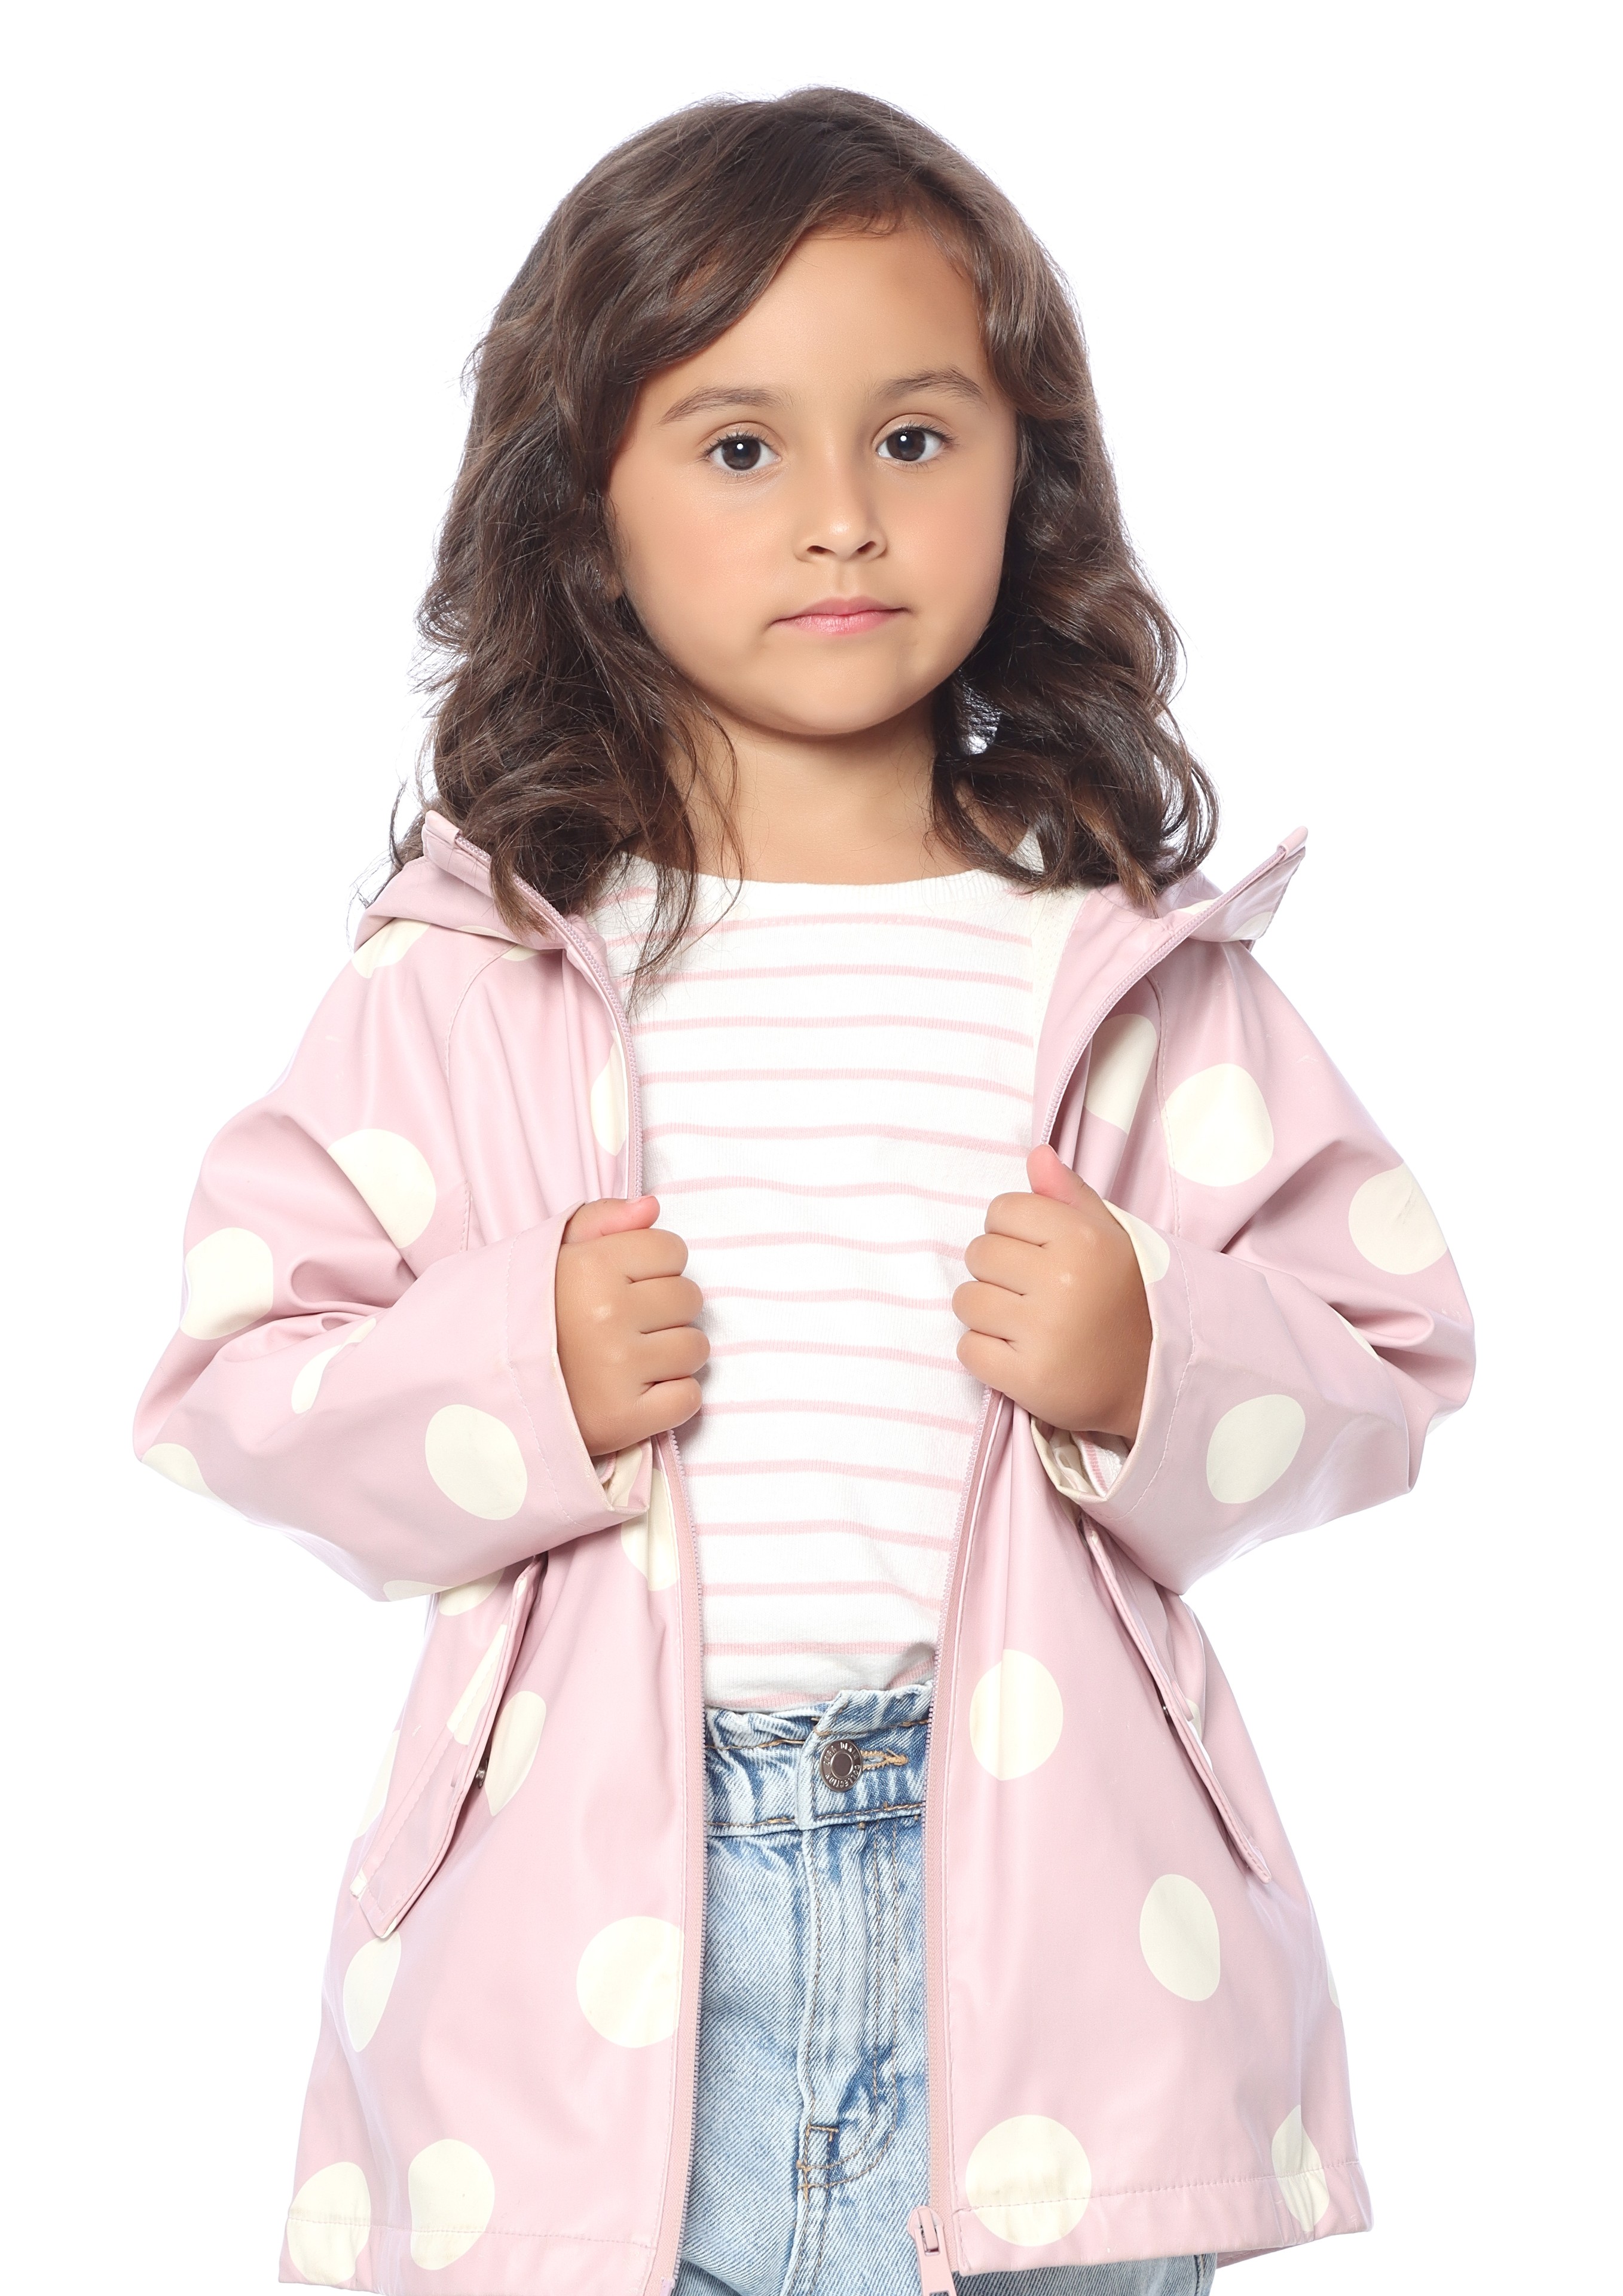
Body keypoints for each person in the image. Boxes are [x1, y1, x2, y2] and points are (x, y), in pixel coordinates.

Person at [133, 87, 1474, 2296]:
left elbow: (1389, 1355)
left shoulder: (1126, 970)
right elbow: (233, 1384)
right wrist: (523, 1370)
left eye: (915, 438)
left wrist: (1152, 1352)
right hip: (580, 1957)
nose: (842, 518)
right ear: (588, 502)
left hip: (1048, 1952)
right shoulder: (468, 968)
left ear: (1027, 475)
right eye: (741, 446)